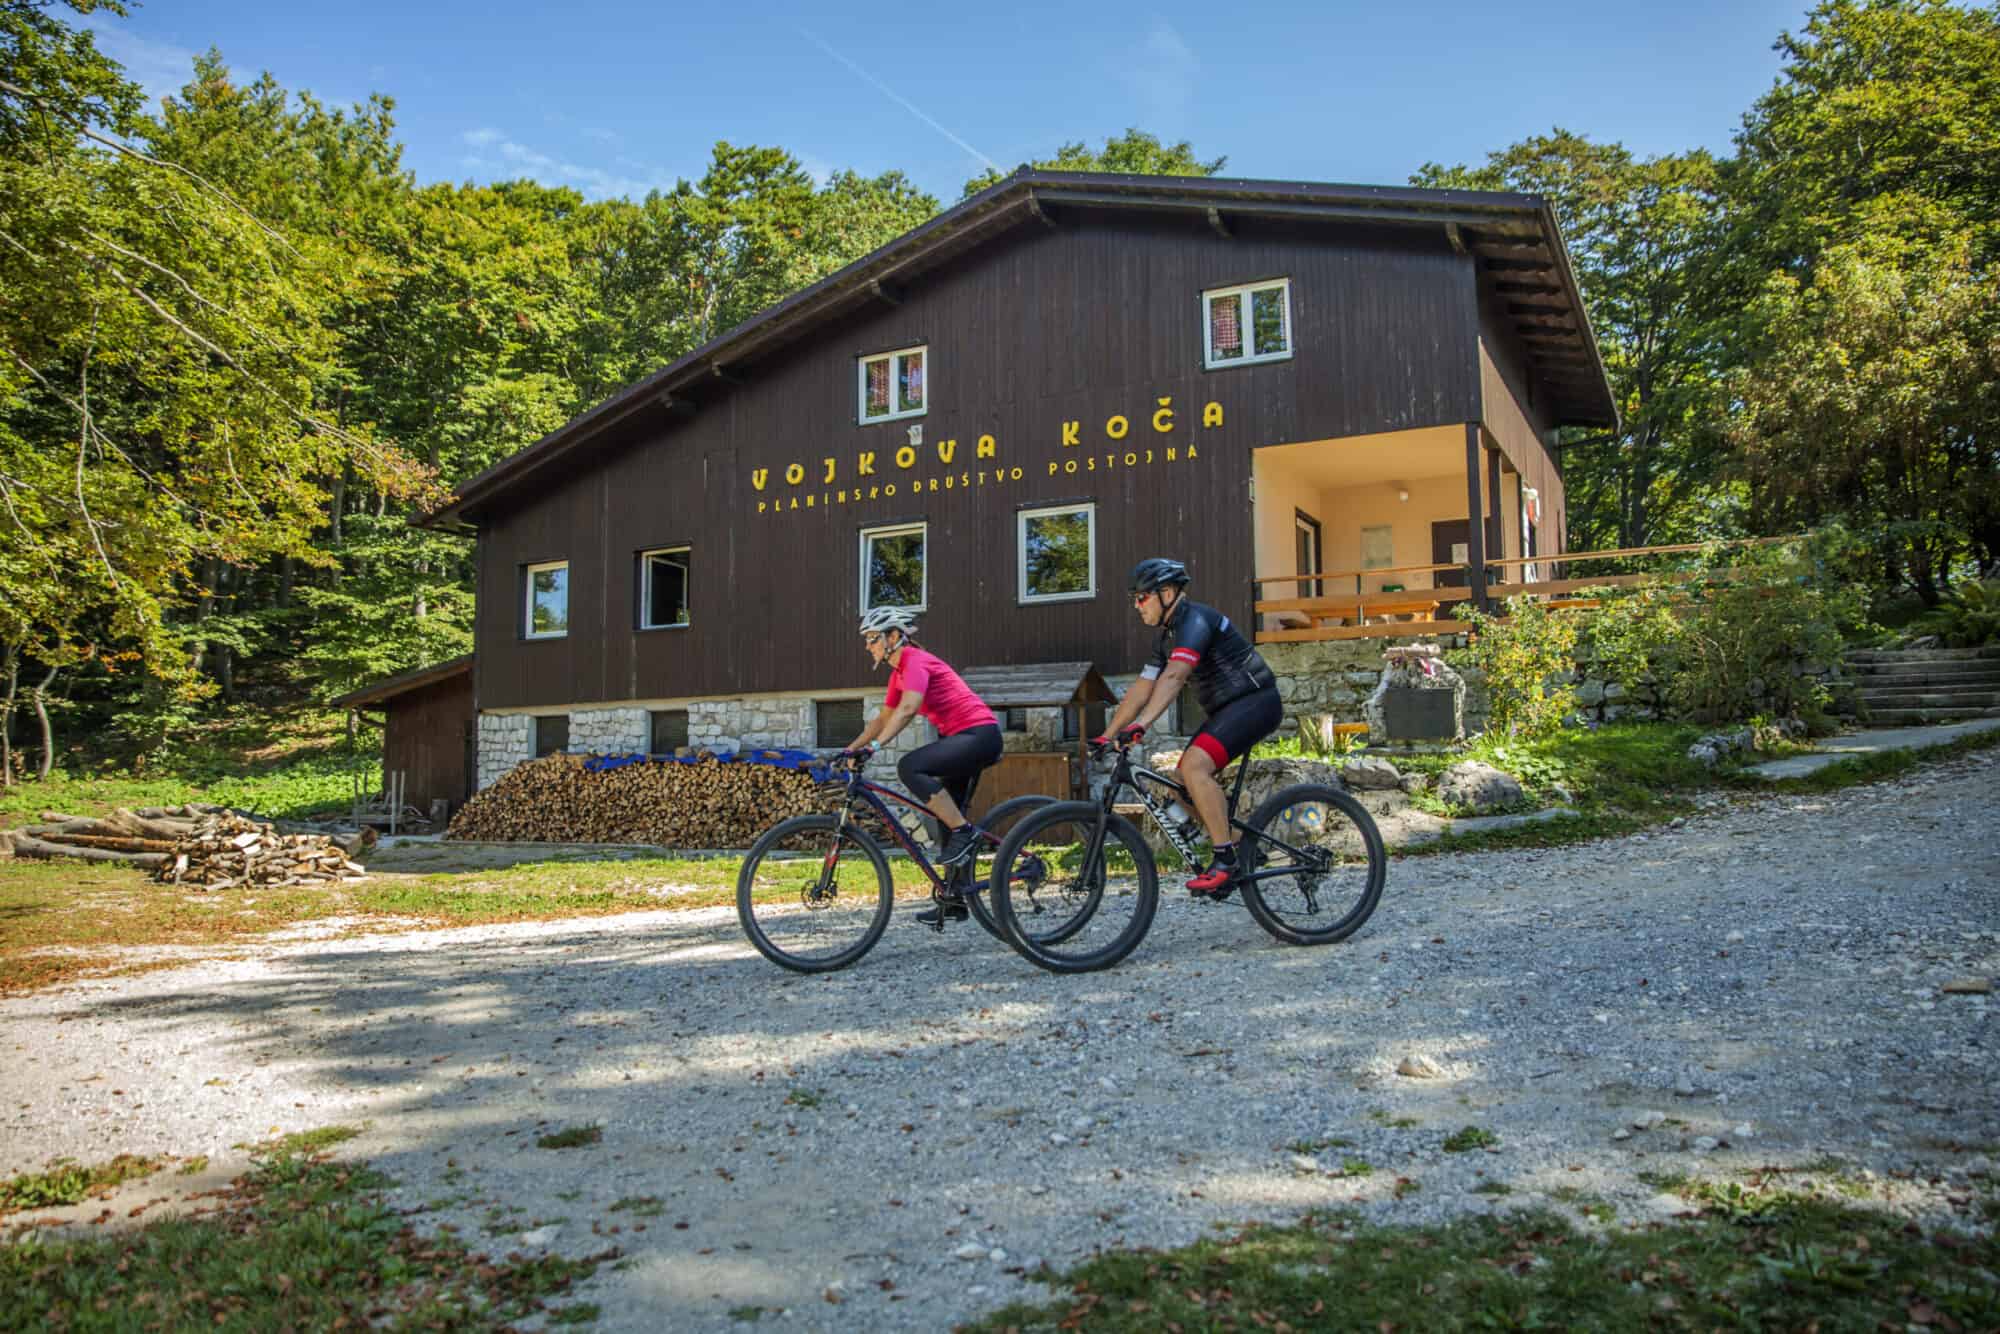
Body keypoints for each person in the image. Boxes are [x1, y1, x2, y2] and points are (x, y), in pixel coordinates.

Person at [1096, 557, 1283, 898]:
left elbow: (1175, 676)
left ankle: (1224, 861)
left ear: (1167, 593)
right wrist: (1107, 735)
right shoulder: (1166, 638)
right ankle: (1240, 846)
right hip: (1228, 710)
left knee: (1195, 767)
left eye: (1141, 597)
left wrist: (1141, 725)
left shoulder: (1195, 620)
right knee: (1181, 780)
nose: (1137, 606)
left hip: (1255, 702)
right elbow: (1141, 688)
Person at [840, 607, 1002, 924]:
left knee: (910, 767)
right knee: (945, 815)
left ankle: (967, 832)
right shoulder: (898, 675)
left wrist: (875, 748)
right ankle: (954, 900)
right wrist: (851, 748)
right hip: (960, 738)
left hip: (979, 735)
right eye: (867, 640)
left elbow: (908, 709)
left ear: (894, 636)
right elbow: (884, 718)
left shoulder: (915, 661)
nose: (868, 646)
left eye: (872, 638)